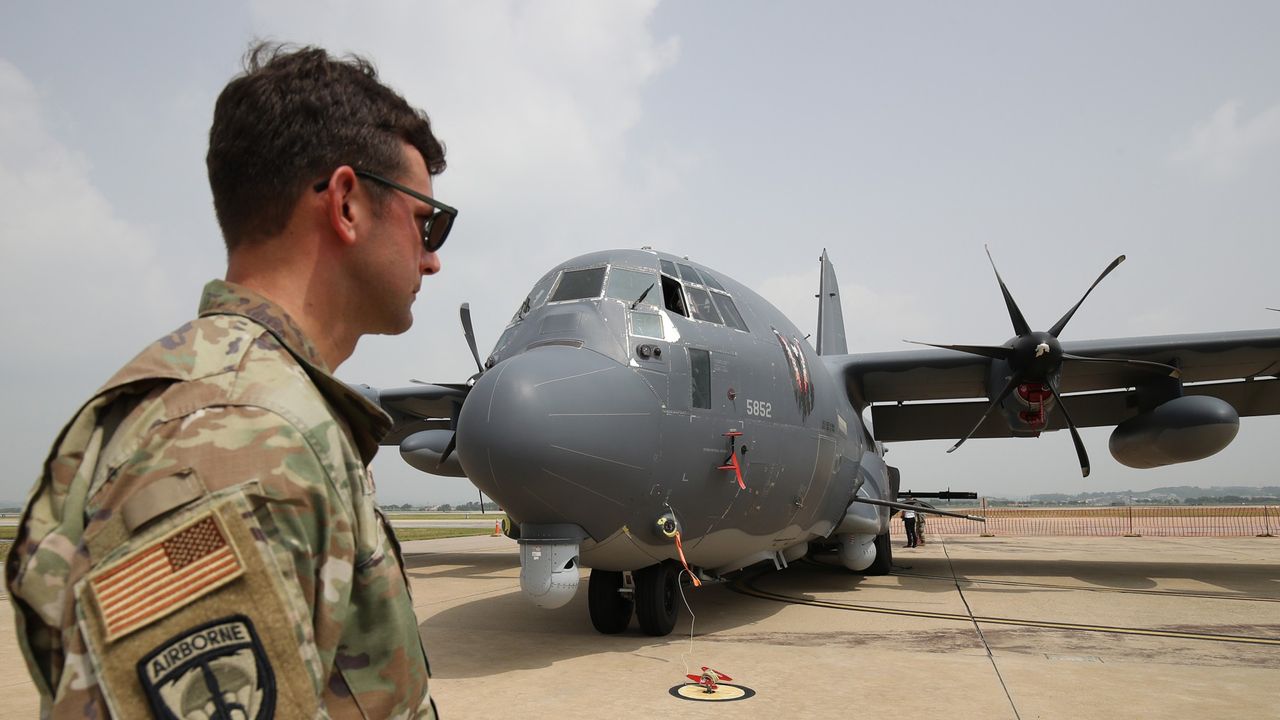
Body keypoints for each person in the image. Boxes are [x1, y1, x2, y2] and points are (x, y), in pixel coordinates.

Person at [6, 43, 451, 718]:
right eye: (428, 221)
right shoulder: (238, 439)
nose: (433, 259)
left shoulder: (249, 409)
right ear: (347, 204)